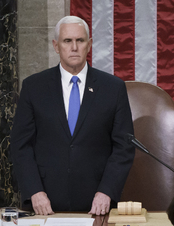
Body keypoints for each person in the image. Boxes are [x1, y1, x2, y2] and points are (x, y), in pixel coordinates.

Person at [11, 15, 135, 215]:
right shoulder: (34, 87)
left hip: (97, 205)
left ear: (89, 45)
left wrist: (106, 191)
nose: (74, 47)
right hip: (44, 204)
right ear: (56, 46)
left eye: (80, 40)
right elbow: (20, 145)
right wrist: (34, 191)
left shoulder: (113, 88)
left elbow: (124, 147)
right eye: (67, 41)